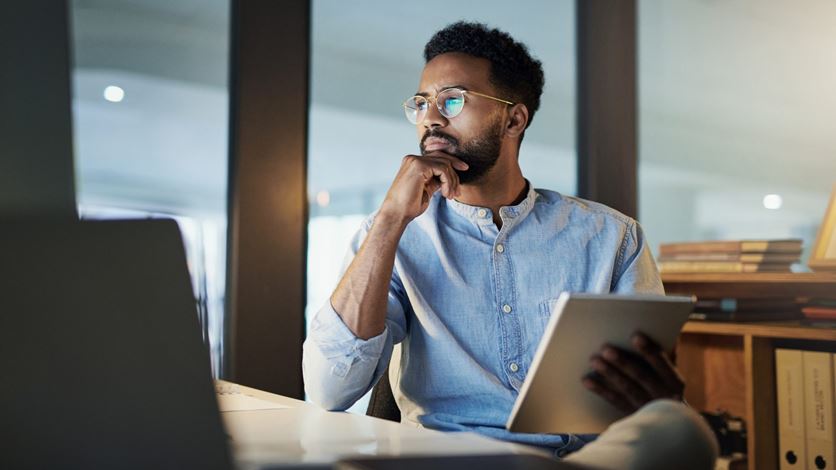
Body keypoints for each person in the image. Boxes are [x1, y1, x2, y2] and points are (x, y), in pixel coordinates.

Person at [303, 21, 717, 469]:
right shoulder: (394, 233)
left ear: (514, 119)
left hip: (578, 458)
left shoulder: (612, 237)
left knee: (685, 433)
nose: (431, 118)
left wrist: (663, 403)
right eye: (422, 103)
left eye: (452, 100)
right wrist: (388, 220)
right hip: (446, 459)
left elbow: (645, 396)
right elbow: (328, 389)